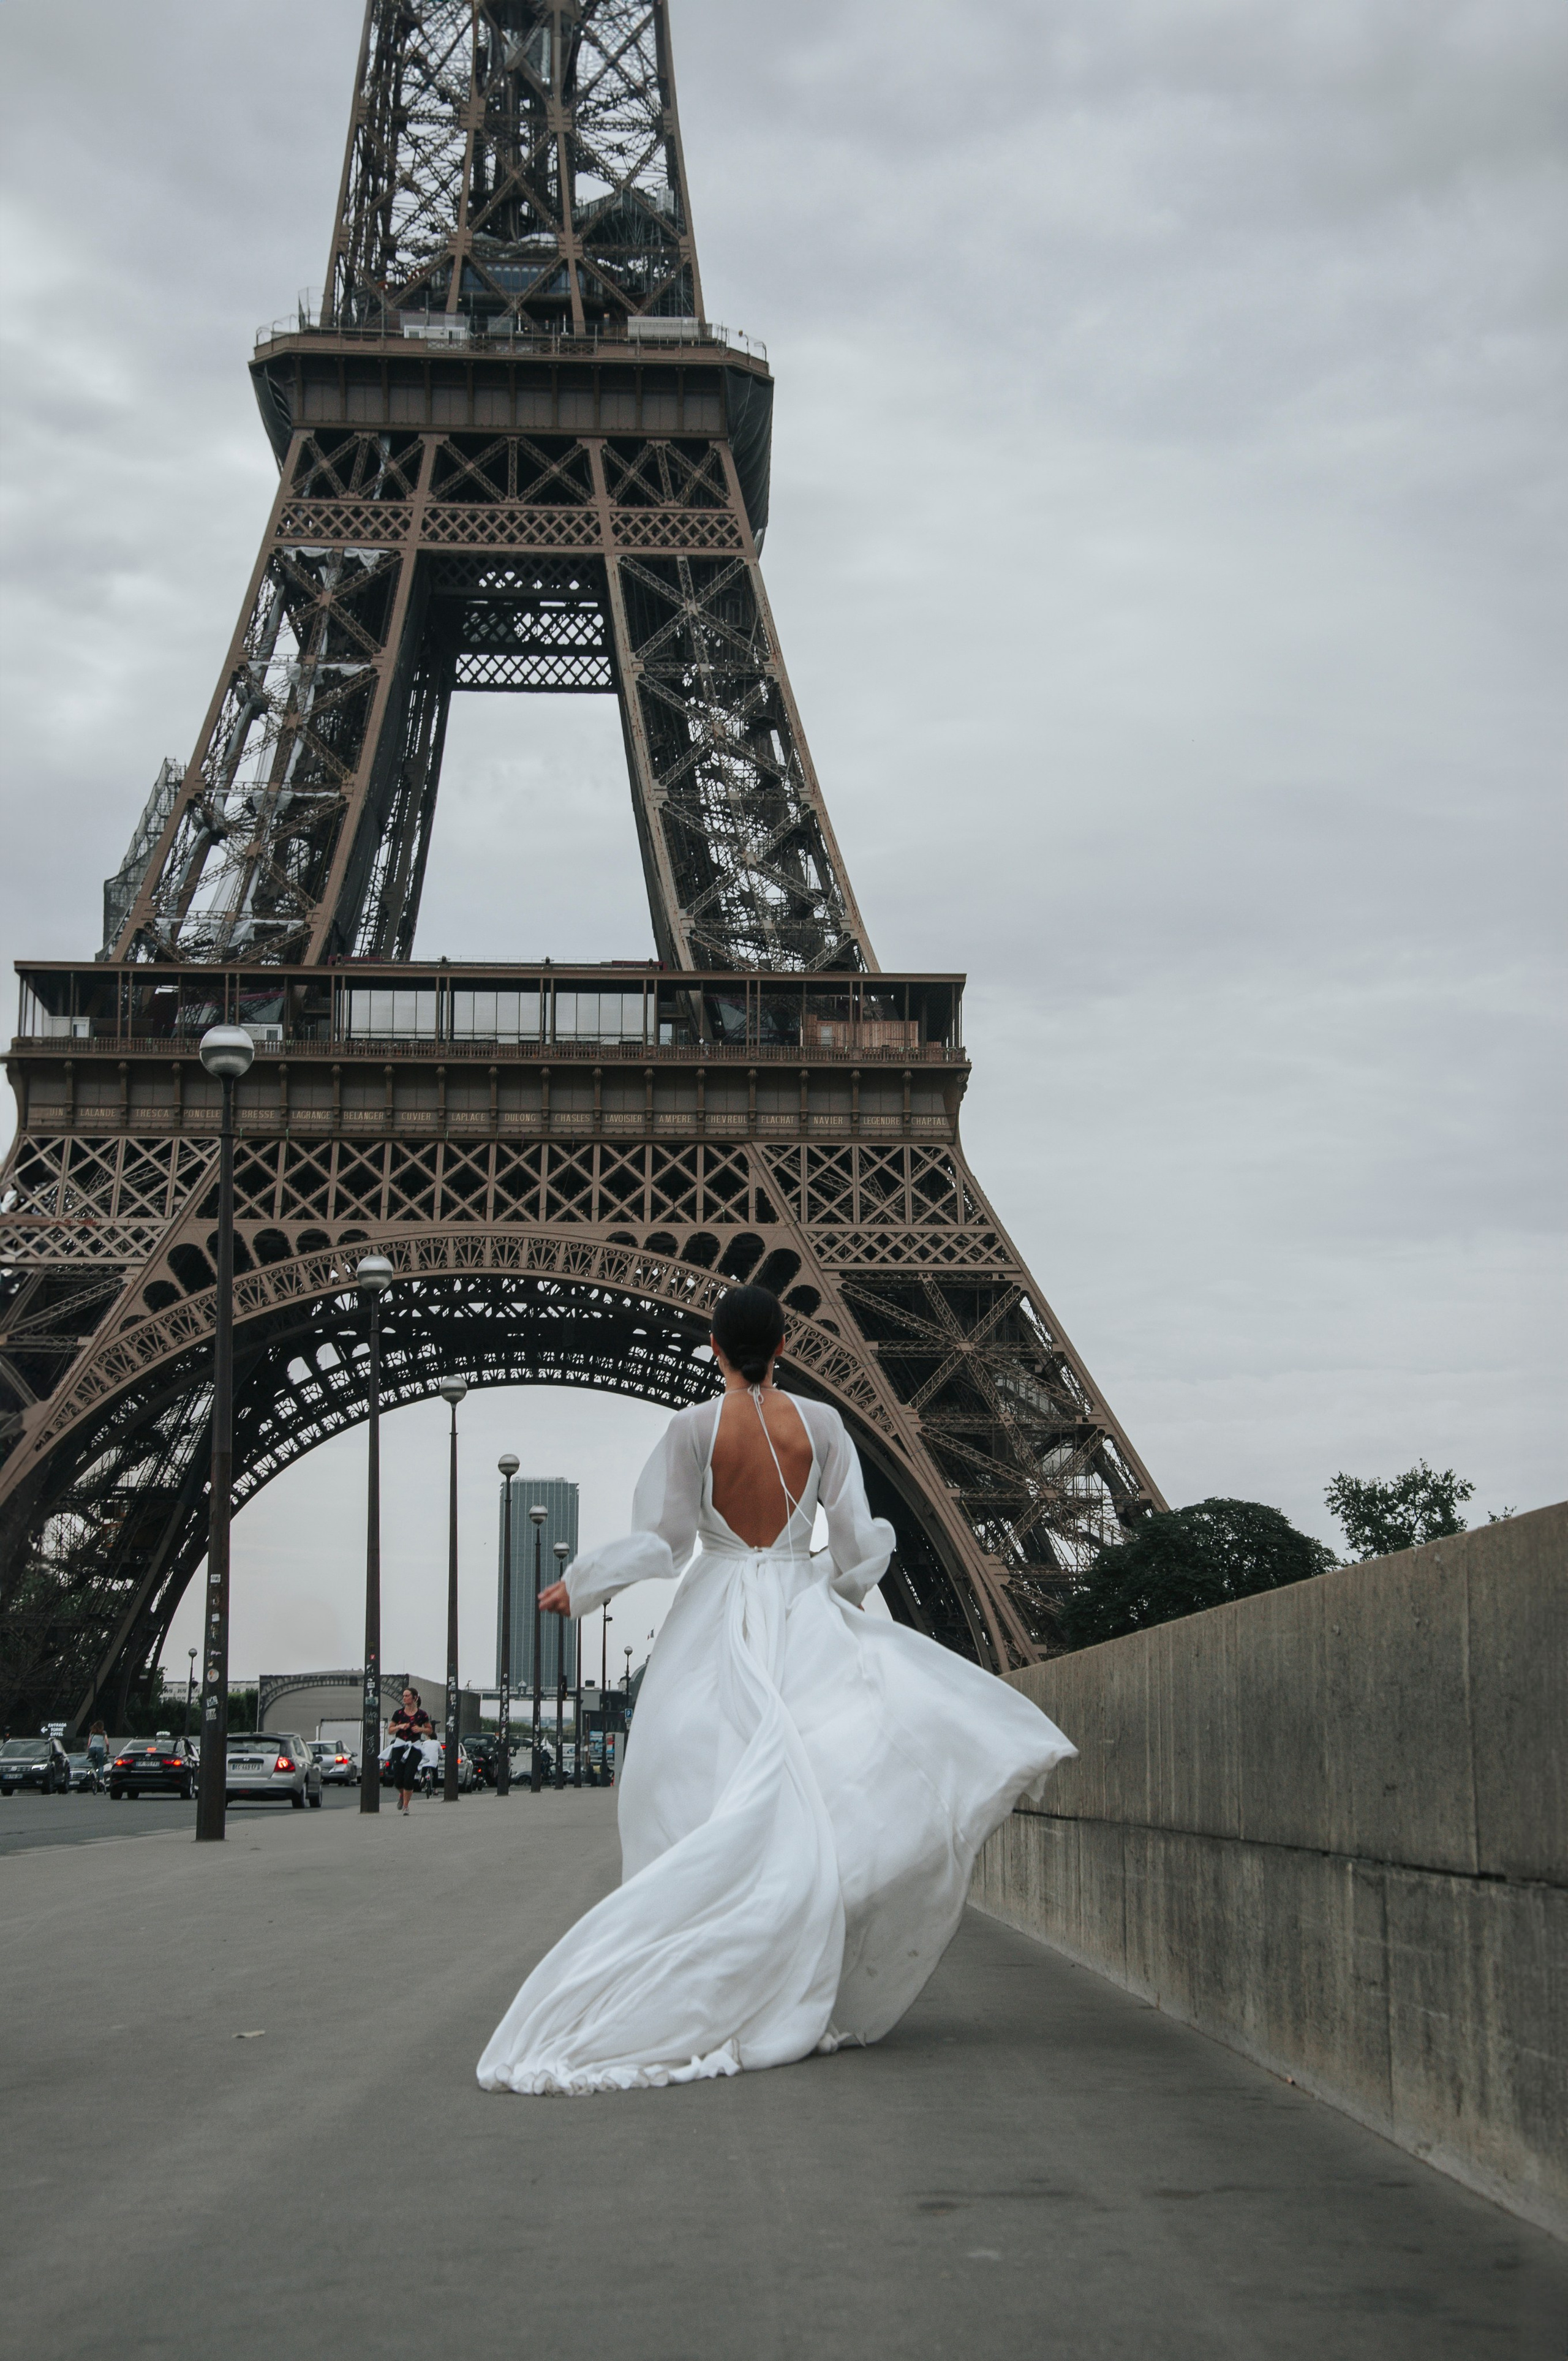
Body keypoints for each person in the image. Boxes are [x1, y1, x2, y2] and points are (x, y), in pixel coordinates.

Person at [477, 1284, 1076, 2098]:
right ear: (788, 1341)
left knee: (690, 1778)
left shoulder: (693, 1428)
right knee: (818, 1767)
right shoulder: (824, 1425)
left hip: (719, 1610)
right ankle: (792, 1936)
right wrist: (842, 1590)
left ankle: (703, 1944)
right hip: (798, 1602)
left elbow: (666, 1542)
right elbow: (860, 1540)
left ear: (713, 1345)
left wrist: (584, 1584)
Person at [387, 1687, 432, 1815]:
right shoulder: (399, 1714)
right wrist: (400, 1726)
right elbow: (390, 1730)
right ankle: (402, 1795)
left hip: (415, 1747)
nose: (405, 1698)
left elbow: (430, 1730)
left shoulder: (422, 1714)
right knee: (398, 1780)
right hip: (400, 1746)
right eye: (404, 1696)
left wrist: (420, 1729)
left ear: (415, 1698)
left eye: (407, 1696)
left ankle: (406, 1806)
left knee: (409, 1777)